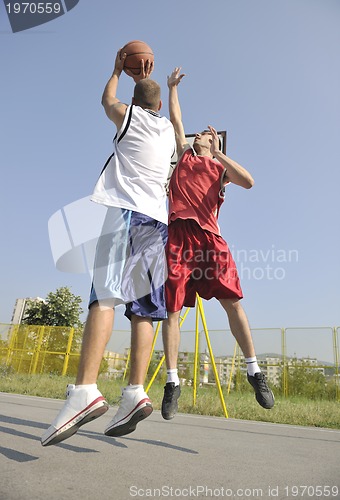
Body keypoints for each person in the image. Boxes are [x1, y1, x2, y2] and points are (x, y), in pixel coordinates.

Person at [41, 51, 175, 446]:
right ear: (161, 107)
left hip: (126, 216)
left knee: (104, 298)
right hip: (158, 224)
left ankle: (84, 390)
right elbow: (172, 120)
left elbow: (107, 102)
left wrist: (117, 70)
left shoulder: (129, 117)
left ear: (136, 105)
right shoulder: (168, 133)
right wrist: (166, 89)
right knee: (144, 311)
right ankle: (135, 391)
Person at [161, 67, 274, 420]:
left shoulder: (219, 170)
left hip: (210, 240)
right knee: (172, 310)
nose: (199, 138)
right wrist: (172, 88)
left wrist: (220, 152)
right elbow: (177, 119)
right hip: (179, 236)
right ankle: (172, 382)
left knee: (233, 303)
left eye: (206, 138)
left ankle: (254, 371)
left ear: (215, 145)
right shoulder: (184, 155)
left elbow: (250, 181)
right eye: (198, 137)